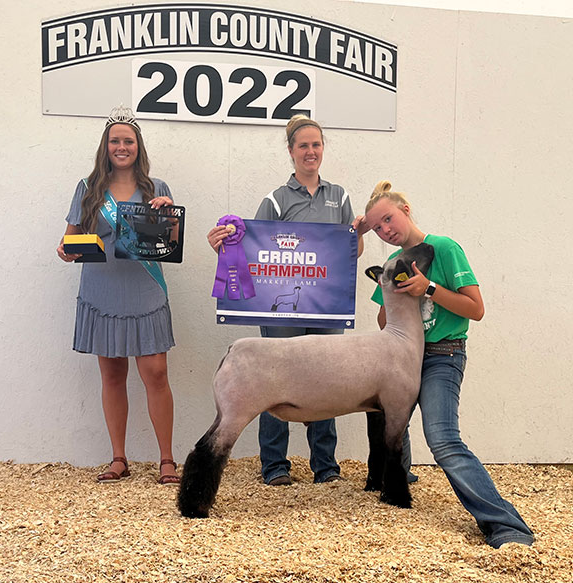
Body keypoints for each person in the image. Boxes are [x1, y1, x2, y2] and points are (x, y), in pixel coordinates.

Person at [358, 179, 534, 548]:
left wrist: (429, 290)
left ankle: (506, 525)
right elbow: (383, 321)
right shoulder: (391, 263)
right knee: (385, 414)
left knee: (442, 439)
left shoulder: (444, 248)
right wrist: (397, 300)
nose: (386, 230)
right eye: (377, 228)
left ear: (405, 210)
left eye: (388, 219)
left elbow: (476, 309)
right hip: (404, 356)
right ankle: (397, 487)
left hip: (442, 354)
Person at [208, 115, 365, 486]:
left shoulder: (339, 196)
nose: (310, 152)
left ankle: (325, 466)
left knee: (327, 381)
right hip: (284, 309)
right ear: (291, 152)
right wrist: (222, 244)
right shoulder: (275, 200)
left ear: (322, 149)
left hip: (325, 305)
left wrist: (360, 235)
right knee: (271, 380)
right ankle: (275, 465)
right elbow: (254, 247)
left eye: (316, 145)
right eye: (303, 146)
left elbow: (350, 253)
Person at [56, 106, 180, 485]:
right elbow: (68, 240)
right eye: (115, 141)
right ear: (105, 146)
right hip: (102, 286)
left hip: (145, 285)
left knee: (155, 373)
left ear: (138, 147)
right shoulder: (87, 187)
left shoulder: (157, 189)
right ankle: (118, 458)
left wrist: (168, 216)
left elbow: (172, 243)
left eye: (128, 141)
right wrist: (66, 250)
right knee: (112, 374)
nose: (121, 146)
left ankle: (167, 460)